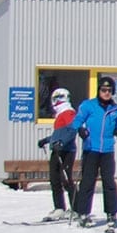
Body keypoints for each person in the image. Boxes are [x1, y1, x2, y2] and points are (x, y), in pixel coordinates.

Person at [69, 76, 117, 228]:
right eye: (103, 90)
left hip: (107, 150)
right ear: (98, 90)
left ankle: (111, 213)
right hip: (91, 148)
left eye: (109, 90)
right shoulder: (89, 105)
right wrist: (80, 129)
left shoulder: (116, 110)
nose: (106, 93)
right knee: (88, 181)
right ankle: (83, 212)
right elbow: (76, 121)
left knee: (109, 182)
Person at [34, 88, 79, 221]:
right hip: (57, 149)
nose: (55, 102)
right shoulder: (61, 114)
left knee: (66, 179)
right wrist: (47, 140)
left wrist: (61, 142)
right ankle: (59, 207)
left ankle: (76, 208)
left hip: (66, 151)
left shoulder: (68, 112)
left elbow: (72, 131)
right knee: (55, 179)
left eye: (57, 98)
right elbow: (59, 133)